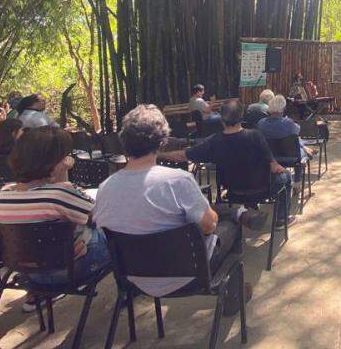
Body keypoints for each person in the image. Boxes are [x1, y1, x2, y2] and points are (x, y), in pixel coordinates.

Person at [93, 105, 261, 306]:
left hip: (132, 279)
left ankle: (237, 214)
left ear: (125, 142)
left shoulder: (105, 188)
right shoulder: (177, 181)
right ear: (162, 142)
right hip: (187, 275)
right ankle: (233, 296)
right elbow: (209, 226)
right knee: (231, 226)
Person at [0, 127, 110, 285]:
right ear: (55, 161)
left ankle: (37, 295)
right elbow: (97, 215)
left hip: (29, 274)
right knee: (111, 229)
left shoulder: (3, 194)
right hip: (70, 270)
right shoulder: (60, 194)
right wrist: (64, 176)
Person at [183, 100, 294, 226]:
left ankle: (249, 209)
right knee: (286, 176)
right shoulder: (255, 136)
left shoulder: (214, 141)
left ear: (222, 119)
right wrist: (281, 168)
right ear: (242, 117)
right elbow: (274, 167)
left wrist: (160, 154)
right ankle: (282, 218)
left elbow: (185, 155)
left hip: (232, 192)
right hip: (262, 190)